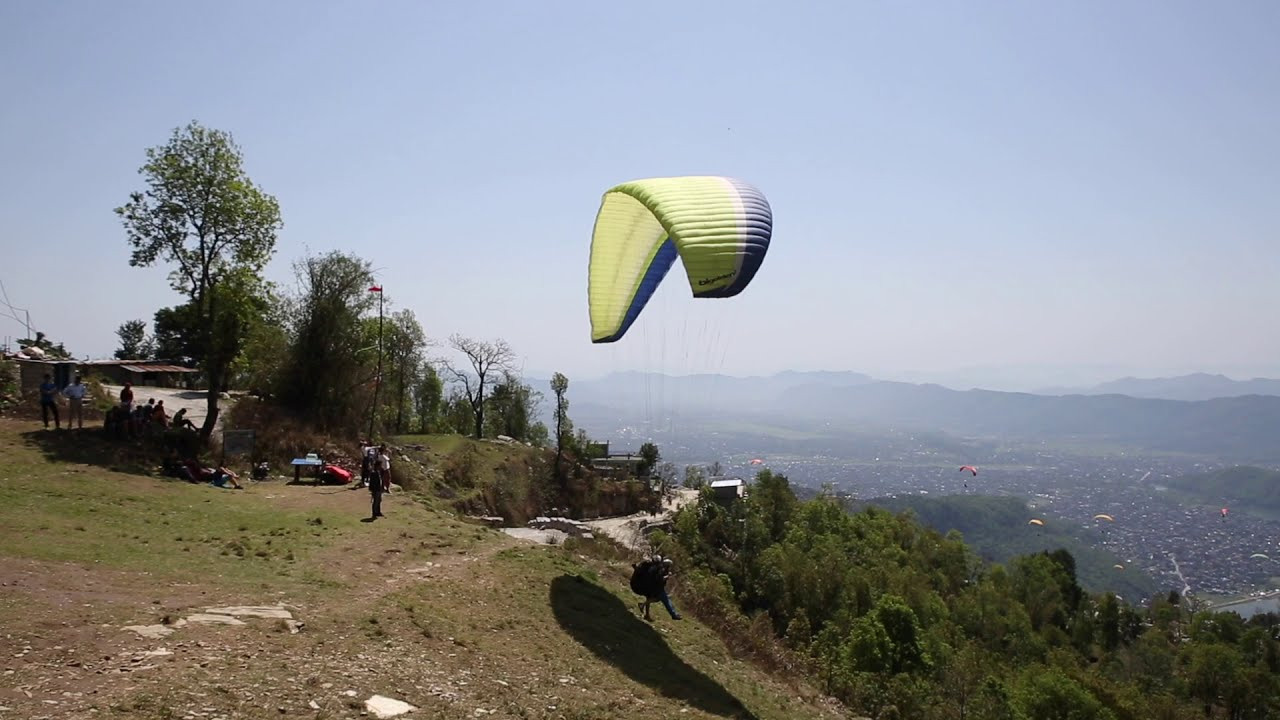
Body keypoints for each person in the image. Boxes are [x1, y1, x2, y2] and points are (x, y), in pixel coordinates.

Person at [629, 555, 681, 621]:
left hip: (642, 586)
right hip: (646, 587)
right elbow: (658, 579)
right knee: (663, 598)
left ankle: (646, 614)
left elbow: (639, 570)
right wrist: (667, 577)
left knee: (650, 597)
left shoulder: (647, 565)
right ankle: (674, 614)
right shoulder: (656, 569)